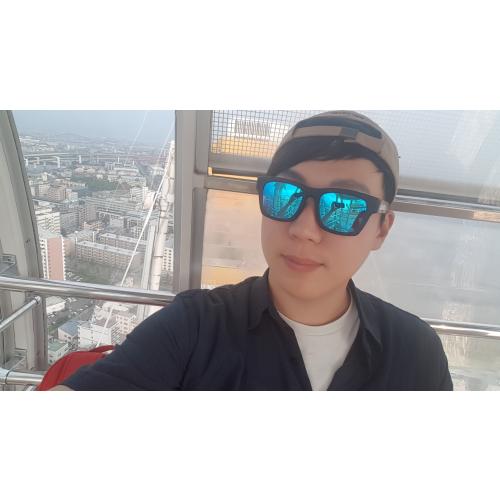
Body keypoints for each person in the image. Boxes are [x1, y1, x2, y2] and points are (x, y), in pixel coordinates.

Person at [52, 110, 453, 391]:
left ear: (382, 228)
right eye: (284, 195)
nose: (304, 230)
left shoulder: (415, 353)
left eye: (344, 206)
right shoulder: (194, 327)